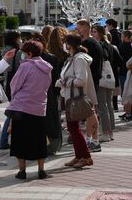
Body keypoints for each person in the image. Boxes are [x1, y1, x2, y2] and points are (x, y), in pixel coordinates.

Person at [5, 40, 52, 180]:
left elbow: (14, 85)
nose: (23, 56)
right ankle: (41, 170)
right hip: (39, 108)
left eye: (24, 53)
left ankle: (22, 171)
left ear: (29, 53)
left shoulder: (26, 67)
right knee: (39, 141)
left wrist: (14, 97)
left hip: (22, 108)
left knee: (20, 140)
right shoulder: (47, 68)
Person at [55, 34, 95, 168]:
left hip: (75, 98)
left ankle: (86, 156)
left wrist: (64, 82)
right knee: (72, 129)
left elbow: (81, 80)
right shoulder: (72, 58)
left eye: (65, 43)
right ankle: (79, 155)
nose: (63, 46)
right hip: (69, 97)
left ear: (69, 45)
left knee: (74, 129)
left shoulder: (78, 60)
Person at [75, 20, 101, 152]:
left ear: (85, 28)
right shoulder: (95, 42)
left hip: (89, 81)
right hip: (93, 80)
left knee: (91, 112)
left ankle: (94, 140)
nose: (77, 30)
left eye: (78, 27)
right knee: (91, 112)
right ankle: (91, 139)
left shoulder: (87, 43)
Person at [91, 25, 120, 141]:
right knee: (109, 105)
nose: (92, 34)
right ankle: (110, 131)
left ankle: (106, 132)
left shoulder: (99, 45)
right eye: (92, 32)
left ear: (100, 33)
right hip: (110, 78)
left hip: (102, 79)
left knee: (102, 106)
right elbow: (119, 61)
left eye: (94, 32)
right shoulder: (110, 45)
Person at [0, 30, 22, 150]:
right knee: (13, 113)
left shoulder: (5, 50)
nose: (20, 40)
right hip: (16, 85)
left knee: (13, 111)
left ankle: (4, 140)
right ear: (15, 39)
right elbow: (18, 68)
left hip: (8, 84)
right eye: (19, 38)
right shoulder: (16, 52)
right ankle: (3, 140)